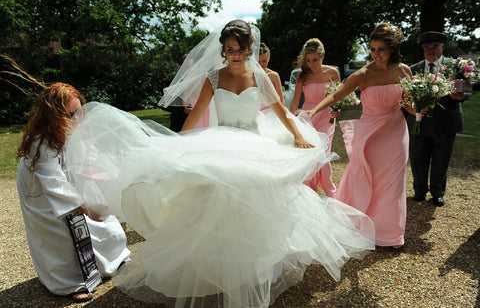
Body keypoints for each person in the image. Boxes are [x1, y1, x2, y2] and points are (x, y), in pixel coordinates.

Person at [65, 20, 375, 308]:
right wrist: (176, 145)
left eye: (240, 50)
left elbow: (280, 109)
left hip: (254, 145)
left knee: (262, 200)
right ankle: (221, 266)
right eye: (229, 50)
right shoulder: (213, 77)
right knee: (215, 200)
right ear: (222, 50)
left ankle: (256, 266)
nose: (235, 55)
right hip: (222, 143)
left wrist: (297, 135)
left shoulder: (260, 77)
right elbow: (197, 113)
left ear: (248, 49)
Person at [15, 78, 130, 302]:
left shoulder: (74, 128)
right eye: (70, 115)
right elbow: (53, 181)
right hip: (39, 192)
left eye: (79, 112)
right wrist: (84, 207)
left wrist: (102, 178)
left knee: (104, 222)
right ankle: (68, 283)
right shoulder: (41, 142)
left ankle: (112, 259)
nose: (77, 118)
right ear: (54, 117)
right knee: (59, 235)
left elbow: (83, 160)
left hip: (62, 184)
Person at [304, 23, 414, 248]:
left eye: (381, 49)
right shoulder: (362, 74)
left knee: (393, 181)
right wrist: (313, 110)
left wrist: (421, 108)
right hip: (369, 132)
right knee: (364, 176)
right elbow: (336, 94)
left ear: (392, 49)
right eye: (373, 49)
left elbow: (409, 104)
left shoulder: (404, 71)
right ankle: (361, 224)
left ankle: (390, 234)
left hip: (395, 130)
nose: (376, 54)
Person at [405, 31, 465, 207]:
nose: (430, 50)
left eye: (434, 47)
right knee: (417, 159)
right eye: (426, 47)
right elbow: (404, 96)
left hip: (445, 122)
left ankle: (437, 192)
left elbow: (467, 90)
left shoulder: (455, 67)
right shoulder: (412, 69)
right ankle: (419, 191)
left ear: (443, 47)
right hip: (418, 123)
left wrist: (460, 95)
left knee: (441, 160)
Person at [289, 38, 340, 197]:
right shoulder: (302, 76)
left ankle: (330, 191)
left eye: (315, 60)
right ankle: (309, 191)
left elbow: (338, 97)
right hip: (307, 118)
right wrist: (291, 124)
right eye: (308, 60)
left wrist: (338, 109)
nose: (312, 64)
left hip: (327, 116)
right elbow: (294, 104)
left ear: (322, 56)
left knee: (324, 154)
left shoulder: (333, 73)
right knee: (309, 154)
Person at [160, 54, 192, 132]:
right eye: (187, 66)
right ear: (180, 66)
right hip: (179, 124)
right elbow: (164, 104)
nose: (190, 69)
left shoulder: (200, 81)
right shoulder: (172, 82)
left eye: (191, 66)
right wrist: (183, 110)